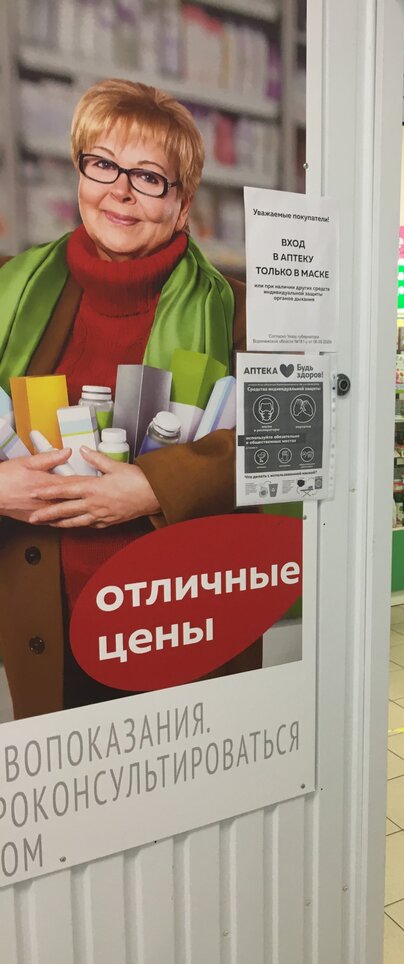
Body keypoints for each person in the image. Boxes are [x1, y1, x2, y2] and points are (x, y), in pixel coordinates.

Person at [0, 78, 260, 720]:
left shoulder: (237, 311)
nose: (119, 190)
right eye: (103, 164)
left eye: (148, 176)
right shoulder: (11, 291)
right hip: (49, 625)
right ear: (80, 174)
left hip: (183, 620)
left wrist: (155, 487)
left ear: (182, 203)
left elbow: (287, 445)